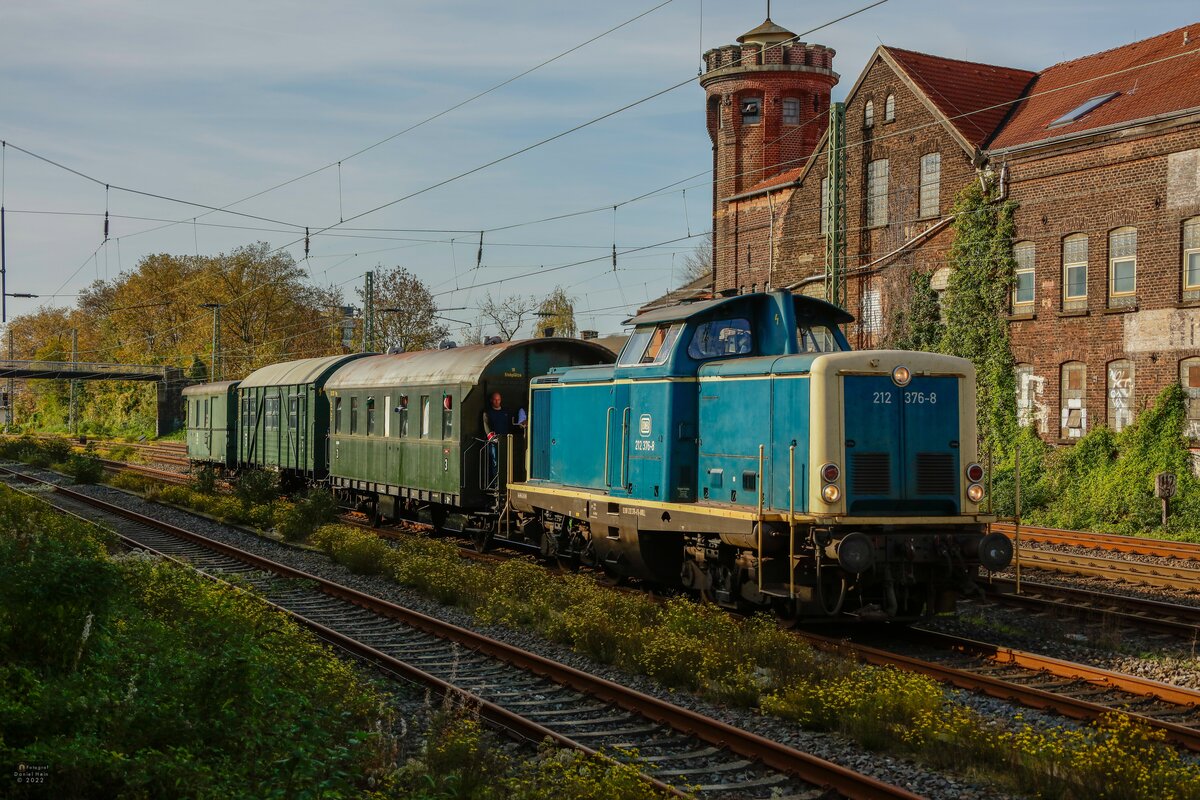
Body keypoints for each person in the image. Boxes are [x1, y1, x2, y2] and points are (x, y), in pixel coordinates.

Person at [483, 391, 513, 487]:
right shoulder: (488, 413)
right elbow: (487, 427)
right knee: (495, 462)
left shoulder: (506, 412)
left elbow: (510, 425)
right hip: (494, 442)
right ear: (491, 400)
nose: (497, 401)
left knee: (507, 461)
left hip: (506, 440)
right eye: (495, 400)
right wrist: (492, 438)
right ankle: (496, 483)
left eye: (498, 399)